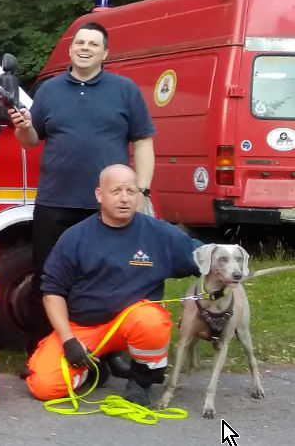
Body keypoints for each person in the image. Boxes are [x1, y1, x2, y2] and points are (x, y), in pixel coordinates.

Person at [9, 22, 156, 346]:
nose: (85, 48)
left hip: (106, 205)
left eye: (92, 44)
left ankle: (108, 350)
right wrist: (22, 127)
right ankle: (44, 348)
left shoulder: (125, 90)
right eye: (79, 42)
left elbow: (143, 141)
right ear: (71, 48)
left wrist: (141, 191)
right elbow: (31, 140)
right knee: (48, 277)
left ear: (105, 53)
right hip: (55, 201)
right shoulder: (49, 90)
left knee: (108, 277)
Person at [23, 164, 201, 405]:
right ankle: (93, 369)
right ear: (100, 195)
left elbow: (206, 258)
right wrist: (68, 341)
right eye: (116, 191)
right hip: (84, 326)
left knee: (151, 320)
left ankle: (141, 381)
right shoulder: (75, 237)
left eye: (131, 191)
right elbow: (52, 292)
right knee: (43, 386)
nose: (125, 198)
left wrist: (232, 266)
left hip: (134, 324)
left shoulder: (160, 234)